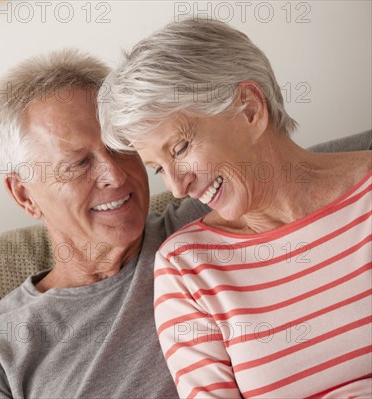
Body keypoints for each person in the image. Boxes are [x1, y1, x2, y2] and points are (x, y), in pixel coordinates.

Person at [98, 18, 372, 398]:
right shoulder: (187, 267)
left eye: (180, 148)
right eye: (159, 168)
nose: (178, 186)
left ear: (249, 110)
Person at [0, 48, 209, 398]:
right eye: (78, 164)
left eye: (120, 146)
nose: (115, 175)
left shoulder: (205, 220)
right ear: (24, 195)